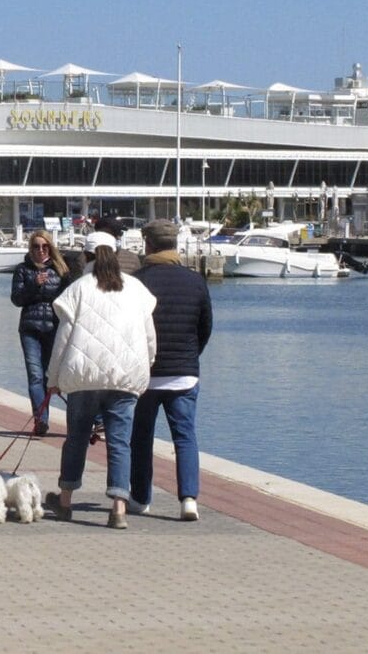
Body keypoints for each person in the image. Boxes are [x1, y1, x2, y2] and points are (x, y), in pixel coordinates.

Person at [46, 232, 157, 529]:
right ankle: (119, 508)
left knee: (76, 439)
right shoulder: (135, 288)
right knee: (120, 442)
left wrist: (52, 378)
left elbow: (63, 339)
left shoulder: (78, 288)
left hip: (83, 377)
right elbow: (149, 337)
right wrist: (147, 364)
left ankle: (66, 501)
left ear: (87, 255)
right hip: (125, 377)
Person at [130, 219, 213, 522]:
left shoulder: (136, 282)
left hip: (146, 374)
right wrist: (191, 355)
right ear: (175, 245)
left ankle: (140, 498)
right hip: (184, 372)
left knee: (141, 437)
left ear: (148, 245)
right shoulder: (195, 281)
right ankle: (188, 499)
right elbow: (205, 327)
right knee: (185, 436)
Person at [9, 229, 70, 436]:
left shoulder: (61, 270)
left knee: (50, 376)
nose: (40, 250)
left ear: (51, 248)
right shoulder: (23, 270)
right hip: (30, 328)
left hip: (53, 328)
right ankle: (41, 419)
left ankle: (89, 418)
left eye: (45, 246)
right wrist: (34, 285)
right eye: (36, 246)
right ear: (30, 248)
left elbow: (69, 298)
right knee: (35, 375)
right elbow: (17, 299)